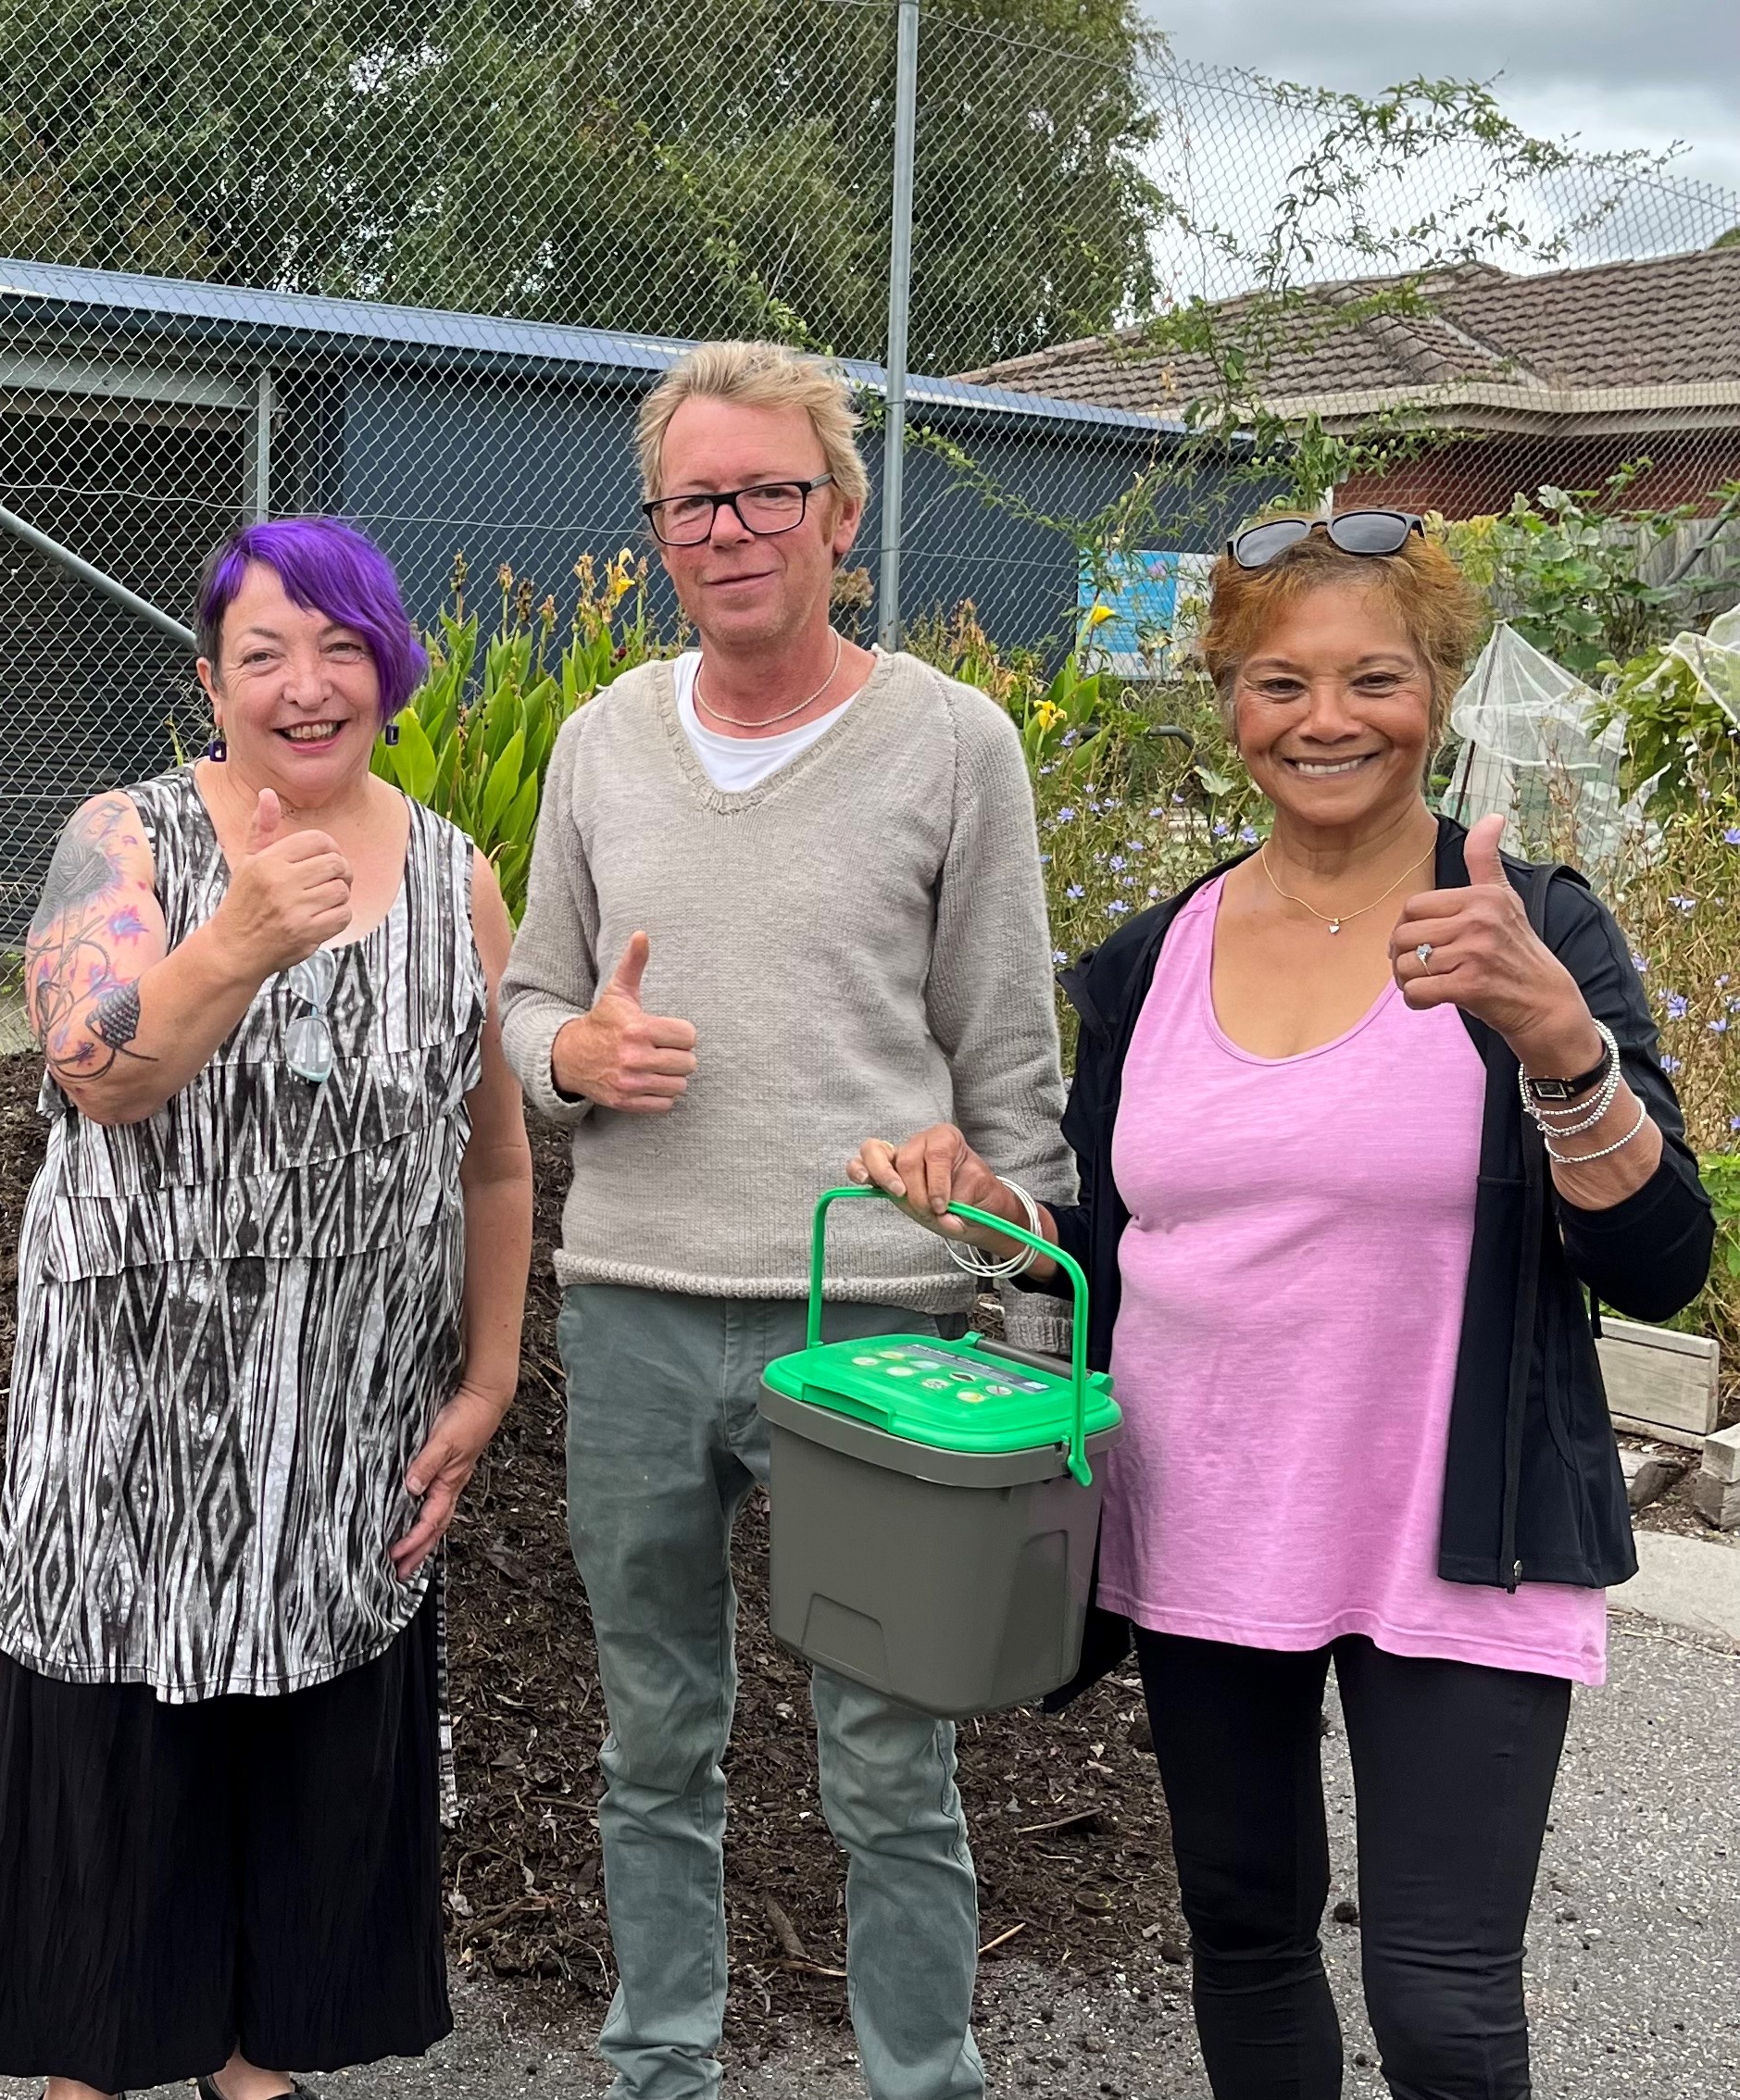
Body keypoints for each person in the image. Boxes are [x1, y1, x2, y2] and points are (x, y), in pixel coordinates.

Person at [853, 512, 1715, 2100]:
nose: (1326, 720)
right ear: (1229, 705)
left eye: (1372, 677)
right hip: (1205, 1519)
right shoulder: (1151, 957)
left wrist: (1562, 1048)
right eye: (1279, 682)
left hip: (1456, 1529)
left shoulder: (1533, 928)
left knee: (1441, 1999)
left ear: (1438, 690)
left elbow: (1662, 1262)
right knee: (1244, 1943)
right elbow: (1113, 1250)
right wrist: (1004, 1218)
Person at [498, 340, 1071, 2100]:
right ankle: (660, 2061)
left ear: (841, 513)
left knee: (890, 1757)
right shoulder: (604, 745)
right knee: (653, 1732)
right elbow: (522, 1013)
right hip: (638, 1313)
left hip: (881, 1332)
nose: (729, 527)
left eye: (766, 493)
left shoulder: (954, 747)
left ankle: (924, 2076)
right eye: (693, 501)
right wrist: (577, 1056)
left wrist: (1025, 1307)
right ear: (659, 526)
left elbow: (1009, 1063)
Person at [0, 516, 535, 2100]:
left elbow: (493, 1163)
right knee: (123, 1771)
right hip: (131, 1422)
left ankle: (258, 2070)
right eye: (264, 652)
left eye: (342, 646)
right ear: (208, 682)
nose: (306, 684)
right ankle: (96, 2068)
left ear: (391, 672)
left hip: (345, 1422)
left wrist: (485, 1387)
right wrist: (239, 939)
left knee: (306, 1783)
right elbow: (101, 1071)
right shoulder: (123, 839)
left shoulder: (458, 881)